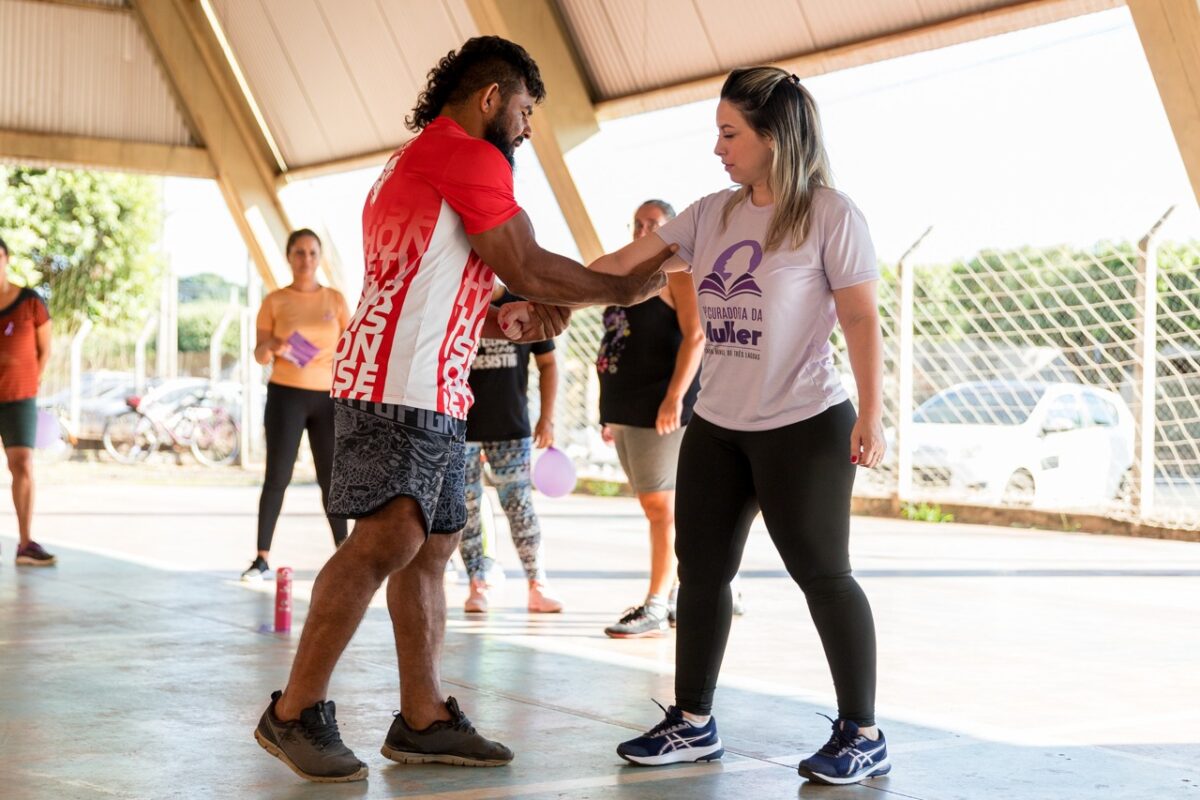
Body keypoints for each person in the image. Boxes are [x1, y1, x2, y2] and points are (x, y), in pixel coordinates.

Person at [254, 35, 670, 783]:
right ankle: (294, 711)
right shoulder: (465, 154)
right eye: (525, 109)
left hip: (436, 383)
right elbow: (528, 263)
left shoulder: (411, 161)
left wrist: (507, 318)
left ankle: (422, 718)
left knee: (434, 546)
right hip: (399, 384)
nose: (527, 127)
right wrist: (621, 289)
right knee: (389, 537)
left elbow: (437, 286)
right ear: (491, 98)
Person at [589, 68, 890, 785]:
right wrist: (527, 290)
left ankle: (863, 731)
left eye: (730, 133)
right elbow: (619, 266)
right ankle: (693, 722)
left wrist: (873, 415)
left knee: (822, 574)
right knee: (702, 575)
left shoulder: (830, 214)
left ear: (774, 138)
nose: (717, 148)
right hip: (719, 426)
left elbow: (859, 318)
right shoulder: (709, 213)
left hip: (805, 423)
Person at [596, 200, 703, 638]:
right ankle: (681, 587)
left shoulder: (678, 273)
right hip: (625, 408)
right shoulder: (626, 273)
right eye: (637, 223)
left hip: (660, 407)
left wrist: (673, 398)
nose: (643, 231)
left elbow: (695, 335)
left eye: (653, 224)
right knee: (653, 503)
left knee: (661, 505)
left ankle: (658, 602)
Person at [242, 229, 350, 581]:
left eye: (312, 253)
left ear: (320, 258)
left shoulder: (335, 300)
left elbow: (350, 349)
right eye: (299, 252)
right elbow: (259, 356)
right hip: (286, 395)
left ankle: (345, 554)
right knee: (277, 477)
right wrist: (273, 343)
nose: (306, 259)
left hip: (327, 400)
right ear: (289, 256)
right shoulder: (275, 301)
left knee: (330, 480)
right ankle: (261, 559)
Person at [460, 283, 563, 614]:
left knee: (519, 506)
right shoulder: (457, 301)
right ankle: (479, 581)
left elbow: (548, 364)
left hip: (511, 427)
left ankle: (537, 583)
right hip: (461, 427)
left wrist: (546, 419)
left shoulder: (524, 303)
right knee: (467, 507)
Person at [0, 236, 54, 566]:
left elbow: (44, 349)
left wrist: (32, 380)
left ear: (6, 258)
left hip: (19, 398)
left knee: (21, 464)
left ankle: (24, 544)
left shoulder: (31, 301)